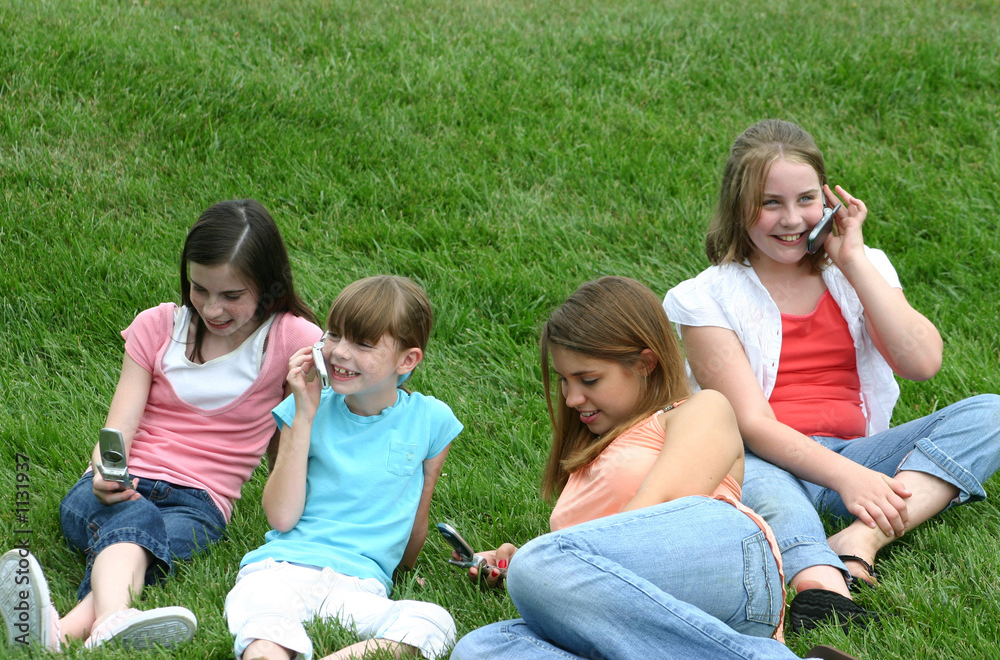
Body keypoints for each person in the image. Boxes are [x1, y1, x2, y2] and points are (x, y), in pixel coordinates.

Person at [664, 118, 1000, 631]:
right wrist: (849, 479)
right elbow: (750, 424)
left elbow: (923, 363)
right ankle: (822, 588)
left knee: (992, 413)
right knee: (768, 489)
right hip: (758, 454)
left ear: (829, 202)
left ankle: (862, 539)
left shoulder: (861, 268)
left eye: (805, 200)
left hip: (856, 451)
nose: (792, 218)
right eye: (770, 203)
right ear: (739, 207)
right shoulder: (705, 298)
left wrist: (853, 261)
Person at [452, 276, 856, 660]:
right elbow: (597, 568)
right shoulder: (585, 467)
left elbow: (660, 505)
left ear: (645, 362)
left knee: (537, 566)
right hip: (651, 620)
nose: (572, 397)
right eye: (563, 380)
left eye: (588, 379)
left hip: (724, 564)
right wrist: (519, 557)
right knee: (482, 647)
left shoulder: (700, 409)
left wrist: (542, 563)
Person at [0, 199, 322, 652]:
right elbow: (117, 430)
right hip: (115, 488)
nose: (212, 309)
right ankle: (110, 619)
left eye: (231, 296)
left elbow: (312, 424)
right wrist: (104, 477)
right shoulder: (156, 327)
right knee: (137, 519)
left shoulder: (292, 339)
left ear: (269, 288)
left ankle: (57, 633)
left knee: (143, 536)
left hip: (199, 506)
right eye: (200, 289)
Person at [224, 275, 462, 660]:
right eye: (333, 334)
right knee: (261, 615)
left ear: (407, 360)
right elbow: (282, 517)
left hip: (360, 586)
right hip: (281, 570)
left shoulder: (431, 421)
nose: (340, 353)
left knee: (434, 622)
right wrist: (303, 414)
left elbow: (419, 510)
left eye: (363, 344)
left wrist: (402, 566)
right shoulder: (304, 409)